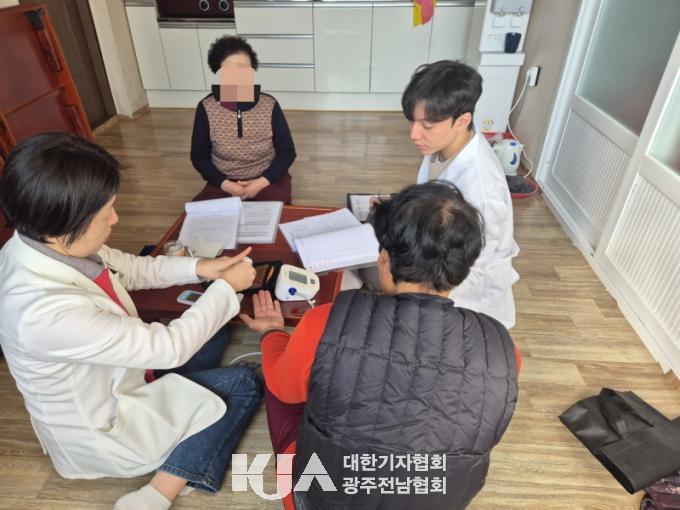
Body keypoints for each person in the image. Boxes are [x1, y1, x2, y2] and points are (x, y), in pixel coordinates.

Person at [0, 133, 262, 510]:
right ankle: (159, 491)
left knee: (215, 331)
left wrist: (203, 268)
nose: (115, 218)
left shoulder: (41, 240)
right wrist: (225, 288)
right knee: (243, 383)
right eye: (106, 212)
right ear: (68, 221)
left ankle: (184, 409)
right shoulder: (40, 313)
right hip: (105, 429)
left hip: (123, 373)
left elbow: (132, 269)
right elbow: (169, 348)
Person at [241, 181, 521, 510]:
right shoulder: (503, 352)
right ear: (462, 269)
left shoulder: (325, 322)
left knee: (281, 386)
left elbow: (284, 387)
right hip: (434, 500)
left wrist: (272, 333)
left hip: (319, 501)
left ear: (384, 260)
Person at [402, 60, 520, 329]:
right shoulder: (443, 147)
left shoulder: (481, 190)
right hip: (435, 258)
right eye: (413, 122)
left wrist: (423, 300)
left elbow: (472, 268)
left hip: (466, 302)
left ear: (462, 121)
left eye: (427, 125)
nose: (414, 134)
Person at [191, 35, 296, 204]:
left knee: (276, 213)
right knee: (202, 215)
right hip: (224, 182)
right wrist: (228, 186)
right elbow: (199, 157)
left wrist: (260, 183)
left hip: (267, 179)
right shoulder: (206, 107)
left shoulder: (269, 104)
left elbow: (287, 152)